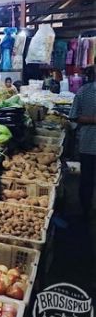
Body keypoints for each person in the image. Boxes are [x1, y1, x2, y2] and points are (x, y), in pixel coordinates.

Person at [69, 65, 96, 215]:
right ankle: (85, 210)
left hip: (87, 143)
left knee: (87, 179)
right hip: (88, 143)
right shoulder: (84, 91)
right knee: (87, 179)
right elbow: (73, 116)